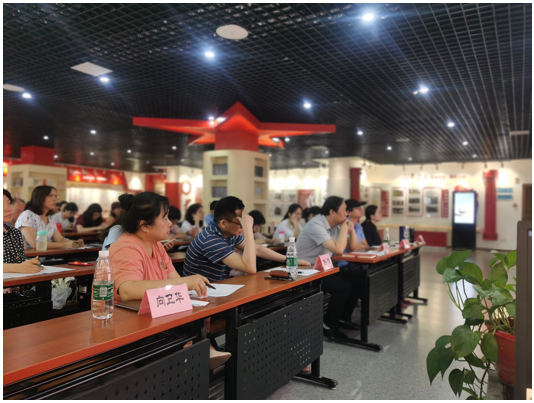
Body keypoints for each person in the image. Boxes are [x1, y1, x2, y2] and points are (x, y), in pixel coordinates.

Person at [107, 192, 229, 369]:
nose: (170, 223)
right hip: (126, 326)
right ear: (144, 225)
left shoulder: (156, 246)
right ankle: (196, 355)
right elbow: (127, 290)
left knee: (197, 321)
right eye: (164, 218)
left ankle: (198, 354)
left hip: (152, 317)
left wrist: (195, 296)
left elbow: (177, 282)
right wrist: (184, 283)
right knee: (182, 338)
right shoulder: (126, 247)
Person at [183, 196, 310, 282]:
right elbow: (249, 267)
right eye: (241, 223)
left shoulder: (228, 233)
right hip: (200, 296)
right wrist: (248, 229)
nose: (243, 226)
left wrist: (288, 260)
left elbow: (257, 249)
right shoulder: (210, 239)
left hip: (218, 287)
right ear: (223, 223)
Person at [296, 196, 361, 338]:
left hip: (322, 269)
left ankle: (343, 318)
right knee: (343, 287)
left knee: (357, 279)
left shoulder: (335, 226)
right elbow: (338, 249)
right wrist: (344, 228)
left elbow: (354, 247)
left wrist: (351, 228)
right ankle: (328, 325)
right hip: (305, 271)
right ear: (332, 212)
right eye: (344, 210)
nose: (346, 213)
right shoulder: (316, 225)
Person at [15, 185, 84, 249]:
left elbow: (60, 240)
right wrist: (65, 245)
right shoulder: (27, 215)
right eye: (51, 196)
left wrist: (75, 243)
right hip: (26, 257)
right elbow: (35, 243)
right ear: (40, 197)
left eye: (56, 196)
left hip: (44, 255)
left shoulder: (49, 218)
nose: (55, 199)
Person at [3, 189, 42, 273]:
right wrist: (19, 267)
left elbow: (20, 260)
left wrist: (29, 264)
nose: (8, 208)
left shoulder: (15, 232)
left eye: (9, 203)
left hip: (18, 279)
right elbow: (19, 266)